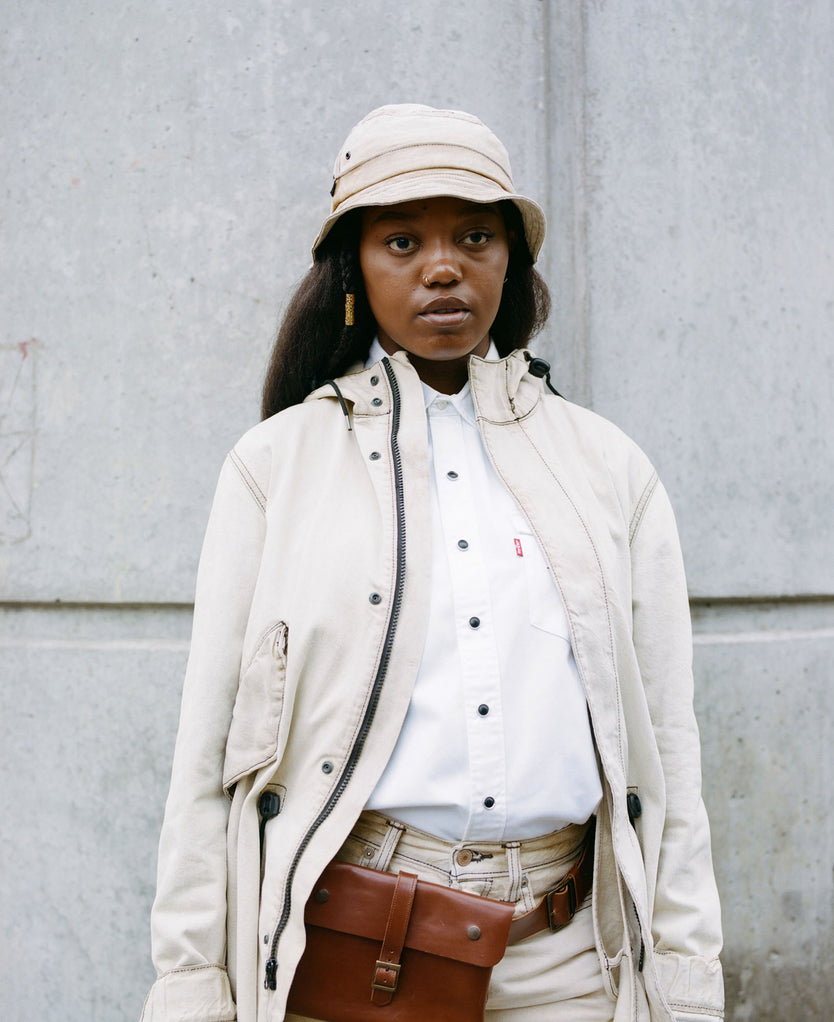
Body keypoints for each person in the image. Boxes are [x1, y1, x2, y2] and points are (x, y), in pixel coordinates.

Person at [141, 104, 723, 1022]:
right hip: (355, 951)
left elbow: (669, 759)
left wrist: (686, 983)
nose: (443, 267)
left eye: (475, 237)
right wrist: (190, 988)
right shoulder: (274, 468)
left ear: (511, 261)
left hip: (570, 961)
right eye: (403, 241)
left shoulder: (610, 469)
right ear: (353, 269)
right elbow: (210, 756)